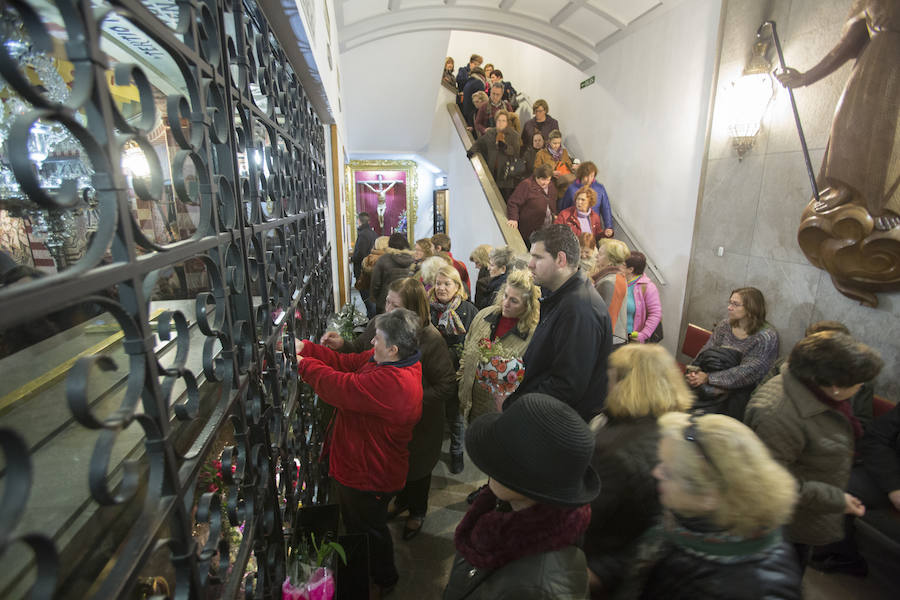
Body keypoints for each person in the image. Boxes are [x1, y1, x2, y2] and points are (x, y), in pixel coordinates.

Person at [295, 308, 424, 594]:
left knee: (369, 528)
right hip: (367, 465)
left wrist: (302, 365)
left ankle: (384, 578)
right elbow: (346, 362)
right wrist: (307, 348)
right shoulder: (393, 361)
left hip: (369, 473)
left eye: (376, 339)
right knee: (364, 524)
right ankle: (371, 568)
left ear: (392, 349)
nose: (370, 343)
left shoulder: (393, 383)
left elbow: (340, 387)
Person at [321, 278, 456, 542]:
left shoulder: (430, 338)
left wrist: (410, 399)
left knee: (417, 472)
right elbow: (362, 351)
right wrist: (342, 346)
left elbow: (447, 384)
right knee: (398, 470)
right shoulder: (379, 324)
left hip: (420, 424)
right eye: (386, 302)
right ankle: (401, 502)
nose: (386, 309)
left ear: (412, 311)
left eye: (394, 305)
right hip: (388, 424)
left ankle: (417, 511)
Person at [616, 411, 801, 599]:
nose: (656, 473)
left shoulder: (757, 590)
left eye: (667, 472)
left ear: (709, 497)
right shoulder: (688, 516)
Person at [745, 331, 884, 571]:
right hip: (780, 523)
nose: (861, 387)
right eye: (859, 383)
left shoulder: (813, 390)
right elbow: (773, 482)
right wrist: (834, 498)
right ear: (836, 386)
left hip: (801, 515)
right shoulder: (780, 413)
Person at [443, 394, 600, 600]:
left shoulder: (536, 589)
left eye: (504, 459)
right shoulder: (506, 509)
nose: (489, 465)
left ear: (533, 483)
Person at [774, 0, 900, 231]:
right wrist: (805, 78)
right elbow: (848, 43)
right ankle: (846, 189)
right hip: (878, 62)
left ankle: (885, 204)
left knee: (894, 138)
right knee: (857, 125)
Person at [583, 344, 693, 597]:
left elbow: (587, 516)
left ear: (624, 385)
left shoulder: (612, 447)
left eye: (610, 379)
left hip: (599, 565)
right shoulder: (679, 433)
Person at [503, 225, 612, 422]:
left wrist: (514, 406)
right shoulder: (561, 297)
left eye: (538, 257)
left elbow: (566, 387)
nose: (530, 264)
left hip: (557, 426)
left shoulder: (579, 309)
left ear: (560, 260)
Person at [459, 268, 540, 423]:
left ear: (528, 306)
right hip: (469, 404)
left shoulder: (532, 336)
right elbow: (467, 348)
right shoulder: (484, 316)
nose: (506, 303)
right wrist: (463, 381)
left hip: (500, 415)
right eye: (505, 295)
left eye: (514, 301)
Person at [686, 287, 779, 418]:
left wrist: (709, 378)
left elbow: (748, 372)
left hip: (740, 390)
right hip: (709, 377)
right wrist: (694, 371)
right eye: (730, 303)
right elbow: (707, 350)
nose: (729, 307)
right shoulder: (725, 325)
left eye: (735, 304)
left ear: (751, 308)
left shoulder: (766, 336)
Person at [429, 263, 479, 474]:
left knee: (456, 417)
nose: (441, 288)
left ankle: (457, 453)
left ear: (457, 286)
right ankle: (430, 454)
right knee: (432, 415)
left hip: (457, 372)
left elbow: (474, 342)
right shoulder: (428, 308)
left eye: (446, 283)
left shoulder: (469, 310)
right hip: (432, 372)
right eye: (438, 283)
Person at [467, 110, 521, 199]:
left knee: (505, 200)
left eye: (503, 120)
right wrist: (471, 151)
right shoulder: (490, 133)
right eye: (499, 120)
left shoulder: (514, 135)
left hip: (506, 175)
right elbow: (479, 143)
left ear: (507, 122)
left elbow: (516, 153)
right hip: (492, 172)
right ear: (496, 121)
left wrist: (505, 147)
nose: (501, 123)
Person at [559, 161, 613, 238]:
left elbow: (606, 209)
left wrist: (609, 227)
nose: (589, 180)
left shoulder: (600, 188)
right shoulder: (572, 188)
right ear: (581, 175)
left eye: (592, 176)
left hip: (593, 227)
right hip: (575, 227)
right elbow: (564, 208)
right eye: (586, 176)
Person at [593, 239, 631, 347]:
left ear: (610, 260)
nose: (596, 256)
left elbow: (608, 318)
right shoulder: (614, 277)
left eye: (600, 254)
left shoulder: (610, 281)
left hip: (610, 342)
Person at [506, 164, 554, 247]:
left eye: (548, 180)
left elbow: (552, 203)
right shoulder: (526, 185)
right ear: (537, 176)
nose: (545, 182)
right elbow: (513, 202)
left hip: (544, 228)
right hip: (528, 229)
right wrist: (513, 218)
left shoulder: (551, 186)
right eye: (543, 179)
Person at [622, 252, 662, 344]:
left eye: (623, 265)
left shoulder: (648, 287)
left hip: (630, 339)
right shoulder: (619, 280)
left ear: (630, 269)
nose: (619, 266)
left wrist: (644, 334)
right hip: (615, 335)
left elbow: (655, 314)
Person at [370, 233, 415, 314]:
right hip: (407, 301)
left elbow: (376, 282)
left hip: (386, 301)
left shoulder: (383, 259)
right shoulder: (413, 260)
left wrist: (376, 298)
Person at [534, 129, 575, 201]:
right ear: (549, 141)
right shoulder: (541, 154)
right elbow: (536, 171)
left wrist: (573, 167)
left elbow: (568, 165)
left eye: (559, 143)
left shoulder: (564, 152)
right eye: (554, 143)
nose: (557, 145)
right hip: (549, 186)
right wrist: (550, 173)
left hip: (563, 186)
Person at [358, 235, 389, 318]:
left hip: (368, 290)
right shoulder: (390, 260)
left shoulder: (369, 259)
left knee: (371, 314)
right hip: (383, 295)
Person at [476, 245, 514, 310]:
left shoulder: (499, 290)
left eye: (492, 265)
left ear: (503, 269)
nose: (488, 268)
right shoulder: (497, 284)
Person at [351, 212, 378, 282]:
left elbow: (360, 254)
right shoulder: (374, 233)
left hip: (363, 269)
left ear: (359, 221)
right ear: (368, 222)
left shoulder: (363, 235)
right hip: (372, 267)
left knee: (364, 291)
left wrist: (352, 259)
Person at [469, 244, 493, 310]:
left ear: (484, 261)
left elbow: (479, 307)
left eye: (477, 263)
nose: (476, 267)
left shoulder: (482, 282)